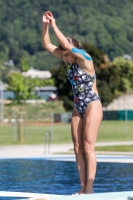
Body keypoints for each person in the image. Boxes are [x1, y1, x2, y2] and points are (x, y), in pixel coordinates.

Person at [42, 11, 103, 195]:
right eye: (63, 56)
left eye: (67, 55)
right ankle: (83, 187)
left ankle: (90, 188)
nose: (65, 58)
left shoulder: (86, 60)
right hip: (78, 105)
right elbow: (46, 44)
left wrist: (54, 25)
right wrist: (44, 24)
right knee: (77, 148)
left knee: (87, 146)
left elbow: (67, 45)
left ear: (74, 52)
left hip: (92, 103)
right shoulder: (68, 59)